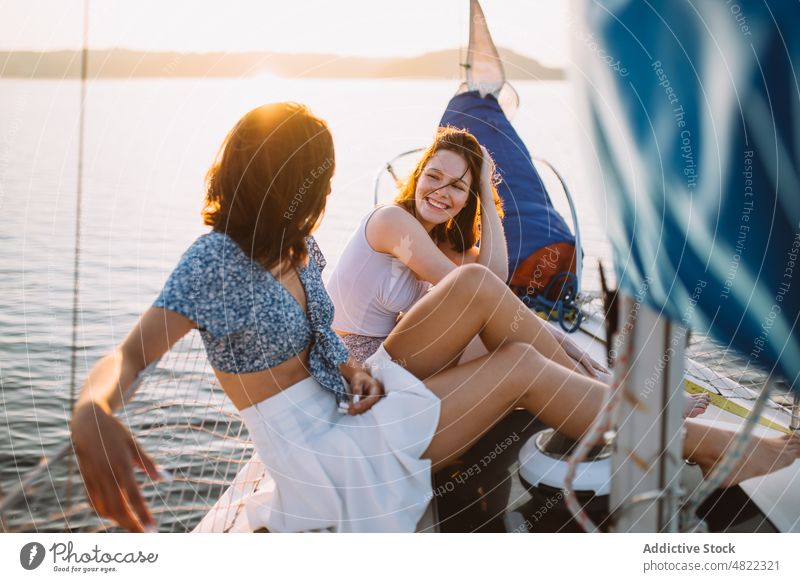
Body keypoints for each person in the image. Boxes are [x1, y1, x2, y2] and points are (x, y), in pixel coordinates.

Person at [69, 102, 800, 533]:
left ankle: (639, 413)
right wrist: (91, 411)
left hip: (351, 400)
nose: (321, 193)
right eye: (311, 179)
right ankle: (717, 444)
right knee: (515, 362)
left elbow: (326, 339)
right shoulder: (214, 263)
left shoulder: (300, 248)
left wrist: (349, 367)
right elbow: (124, 362)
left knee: (485, 297)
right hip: (324, 458)